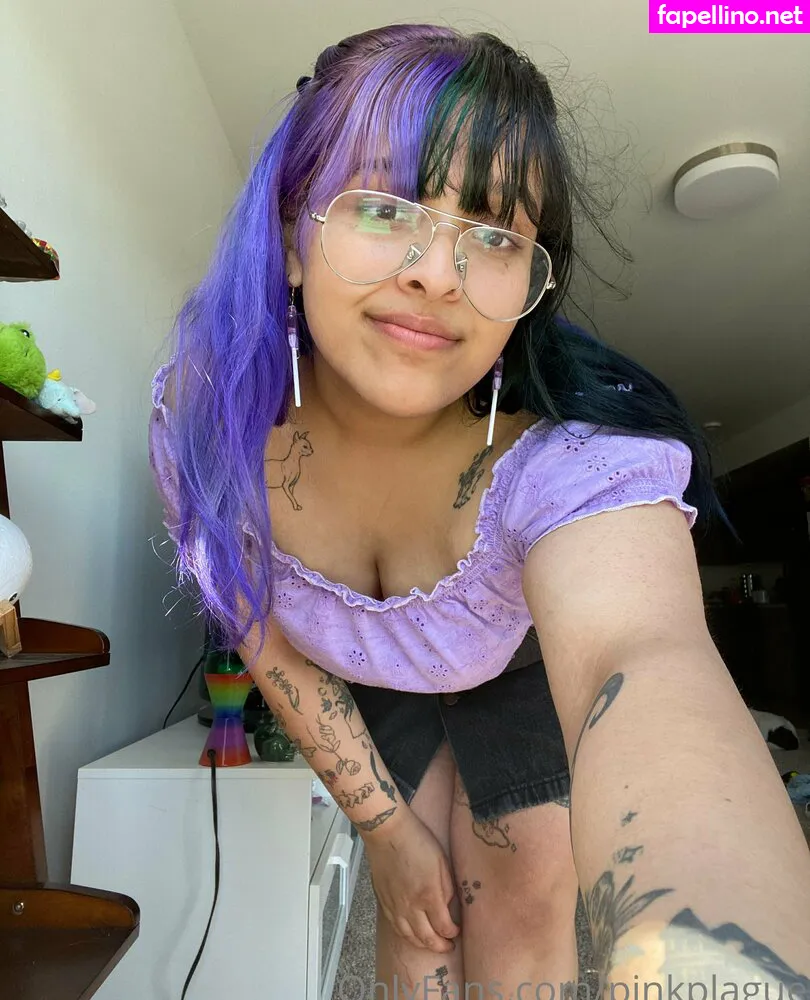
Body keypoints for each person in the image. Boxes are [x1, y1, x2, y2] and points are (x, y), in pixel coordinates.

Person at [148, 24, 810, 998]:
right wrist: (384, 831)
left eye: (496, 234)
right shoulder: (206, 422)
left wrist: (722, 965)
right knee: (419, 927)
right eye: (386, 206)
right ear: (292, 235)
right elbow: (256, 624)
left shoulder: (576, 460)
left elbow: (642, 657)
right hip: (368, 669)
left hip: (521, 659)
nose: (437, 272)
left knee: (526, 903)